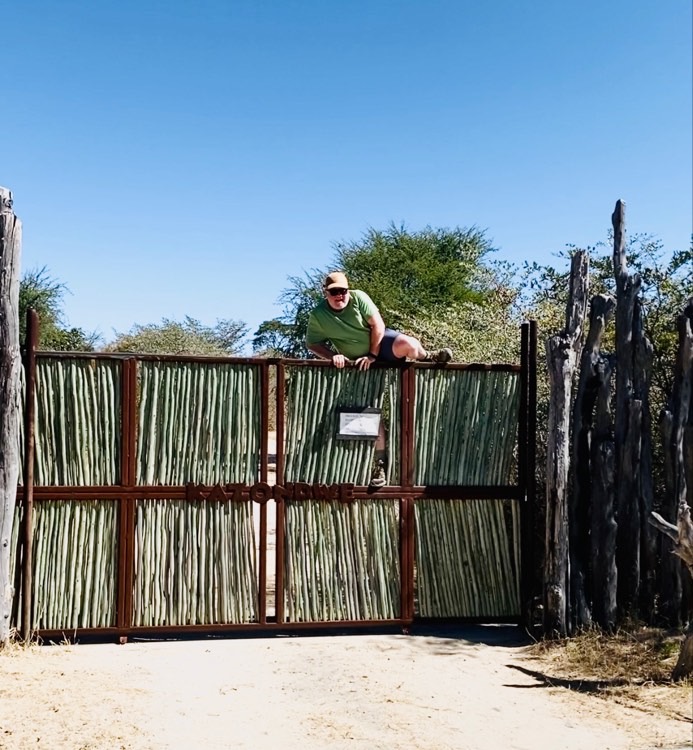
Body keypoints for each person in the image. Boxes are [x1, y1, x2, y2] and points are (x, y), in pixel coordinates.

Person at [305, 271, 452, 370]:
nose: (339, 295)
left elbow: (378, 325)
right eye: (334, 291)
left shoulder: (359, 298)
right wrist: (333, 356)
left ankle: (428, 358)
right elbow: (312, 344)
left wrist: (372, 355)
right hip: (358, 362)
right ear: (326, 292)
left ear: (348, 291)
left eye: (342, 291)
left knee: (411, 345)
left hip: (380, 346)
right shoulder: (318, 315)